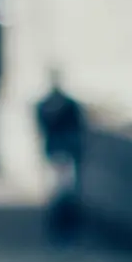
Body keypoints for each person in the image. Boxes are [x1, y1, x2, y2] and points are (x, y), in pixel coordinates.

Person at [35, 70, 87, 240]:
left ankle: (65, 227)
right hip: (57, 153)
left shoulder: (66, 105)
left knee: (65, 191)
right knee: (59, 191)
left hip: (65, 152)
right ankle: (60, 226)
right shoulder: (47, 105)